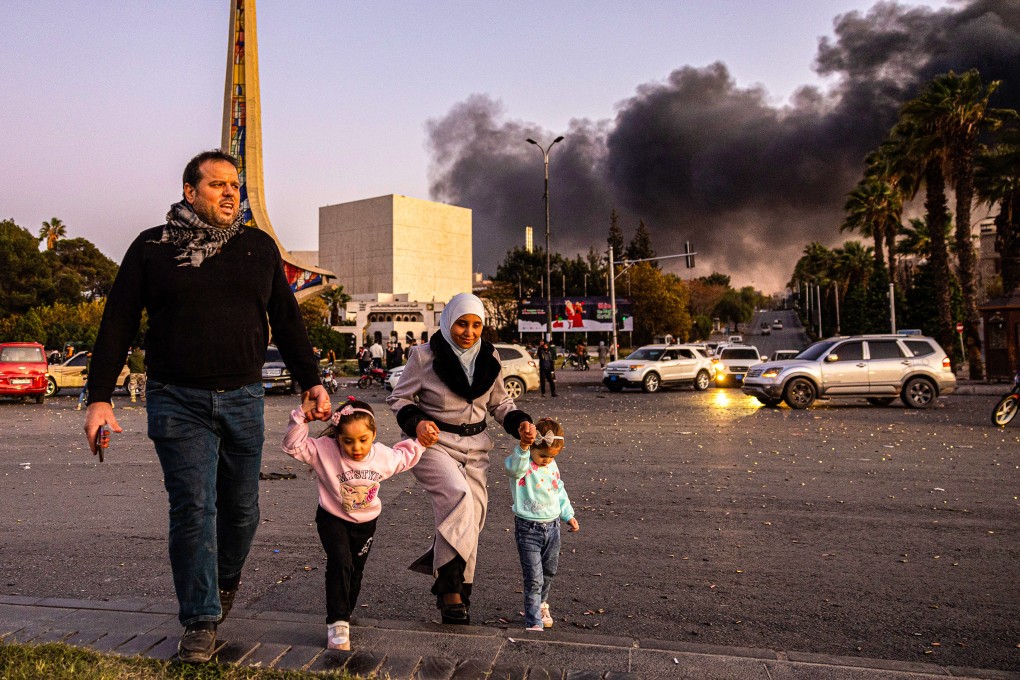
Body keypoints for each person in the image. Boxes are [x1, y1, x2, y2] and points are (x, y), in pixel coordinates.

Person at [82, 150, 331, 664]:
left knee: (242, 511)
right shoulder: (153, 247)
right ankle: (199, 619)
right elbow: (118, 323)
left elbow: (286, 320)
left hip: (243, 399)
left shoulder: (258, 247)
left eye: (235, 184)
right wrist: (101, 397)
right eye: (217, 184)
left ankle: (222, 583)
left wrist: (311, 382)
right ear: (190, 192)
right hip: (177, 401)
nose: (230, 192)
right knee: (193, 508)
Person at [387, 293, 537, 624]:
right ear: (448, 322)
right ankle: (449, 591)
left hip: (476, 447)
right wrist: (418, 422)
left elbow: (500, 405)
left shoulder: (491, 357)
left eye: (475, 325)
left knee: (473, 517)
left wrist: (521, 423)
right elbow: (399, 397)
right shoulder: (424, 356)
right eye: (461, 324)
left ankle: (460, 592)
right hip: (434, 443)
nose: (468, 332)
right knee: (459, 498)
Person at [282, 397, 435, 650]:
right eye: (348, 441)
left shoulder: (382, 456)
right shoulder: (325, 450)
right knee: (340, 561)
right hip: (332, 518)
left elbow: (404, 456)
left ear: (373, 434)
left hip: (365, 523)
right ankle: (337, 622)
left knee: (355, 569)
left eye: (363, 439)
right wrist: (300, 417)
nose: (356, 448)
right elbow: (293, 446)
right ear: (336, 437)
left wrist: (422, 441)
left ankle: (346, 612)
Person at [504, 417, 579, 631]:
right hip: (528, 528)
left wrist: (568, 514)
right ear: (533, 447)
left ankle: (542, 604)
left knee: (548, 571)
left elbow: (559, 491)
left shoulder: (552, 465)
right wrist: (524, 447)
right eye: (543, 455)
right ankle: (533, 619)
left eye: (552, 456)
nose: (547, 460)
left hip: (553, 527)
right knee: (534, 577)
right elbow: (512, 469)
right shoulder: (523, 462)